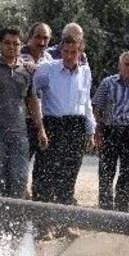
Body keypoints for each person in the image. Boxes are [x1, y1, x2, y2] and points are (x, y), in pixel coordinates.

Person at [0, 26, 47, 198]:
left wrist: (41, 129)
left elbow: (32, 101)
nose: (11, 47)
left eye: (16, 44)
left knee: (20, 177)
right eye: (7, 43)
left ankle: (16, 220)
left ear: (21, 45)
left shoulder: (26, 71)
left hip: (19, 133)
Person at [32, 32, 95, 205]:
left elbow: (86, 101)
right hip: (54, 124)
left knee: (70, 174)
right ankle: (44, 224)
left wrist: (91, 130)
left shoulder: (85, 72)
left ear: (80, 52)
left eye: (73, 52)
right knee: (46, 172)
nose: (68, 56)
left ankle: (63, 222)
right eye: (65, 51)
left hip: (76, 125)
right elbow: (31, 91)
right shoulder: (48, 69)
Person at [92, 51, 129, 211]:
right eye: (127, 64)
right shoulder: (108, 83)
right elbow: (97, 108)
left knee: (128, 171)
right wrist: (97, 132)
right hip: (110, 129)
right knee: (106, 170)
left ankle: (122, 208)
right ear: (120, 65)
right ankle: (105, 208)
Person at [20, 22, 53, 160]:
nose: (41, 42)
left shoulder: (49, 59)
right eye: (38, 37)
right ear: (30, 37)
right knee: (19, 163)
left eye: (45, 38)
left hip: (43, 119)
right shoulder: (17, 54)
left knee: (43, 164)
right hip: (21, 120)